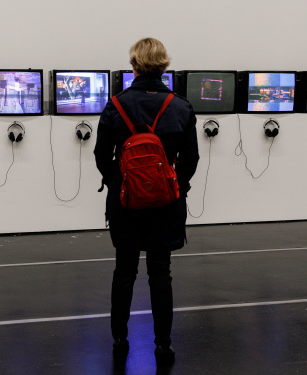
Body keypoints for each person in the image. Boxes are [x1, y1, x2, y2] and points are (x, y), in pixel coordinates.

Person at [94, 38, 199, 366]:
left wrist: (123, 184)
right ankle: (163, 344)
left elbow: (101, 156)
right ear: (165, 66)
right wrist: (172, 187)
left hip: (126, 205)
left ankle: (120, 339)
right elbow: (190, 158)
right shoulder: (181, 107)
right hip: (165, 206)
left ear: (134, 65)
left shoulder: (116, 105)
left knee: (124, 270)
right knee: (160, 272)